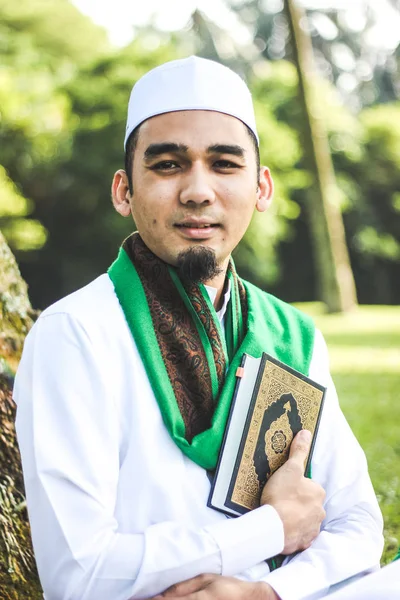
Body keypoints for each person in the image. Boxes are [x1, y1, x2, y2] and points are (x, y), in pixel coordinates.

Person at [14, 56, 383, 600]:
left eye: (224, 164)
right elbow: (80, 574)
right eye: (167, 165)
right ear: (124, 191)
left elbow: (357, 525)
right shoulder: (76, 334)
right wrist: (269, 529)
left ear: (261, 188)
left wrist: (266, 593)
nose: (197, 191)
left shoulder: (290, 335)